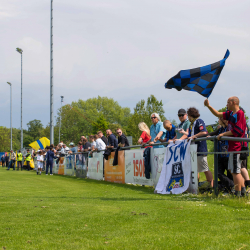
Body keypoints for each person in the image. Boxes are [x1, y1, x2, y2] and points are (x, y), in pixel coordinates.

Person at [204, 97, 247, 196]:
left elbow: (238, 131)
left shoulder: (240, 114)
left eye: (228, 103)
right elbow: (218, 114)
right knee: (234, 170)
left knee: (235, 171)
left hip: (237, 147)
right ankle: (243, 191)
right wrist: (208, 106)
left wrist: (223, 134)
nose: (226, 105)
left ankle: (237, 193)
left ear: (234, 102)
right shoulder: (231, 113)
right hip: (232, 147)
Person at [186, 107, 214, 187]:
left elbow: (204, 132)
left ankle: (211, 186)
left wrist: (194, 136)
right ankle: (195, 186)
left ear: (191, 115)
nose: (188, 117)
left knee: (205, 168)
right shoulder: (192, 124)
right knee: (195, 169)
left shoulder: (199, 121)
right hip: (194, 150)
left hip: (200, 148)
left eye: (188, 115)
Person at [207, 117, 234, 192]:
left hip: (228, 155)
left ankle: (230, 189)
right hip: (220, 155)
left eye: (219, 119)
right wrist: (207, 136)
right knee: (218, 173)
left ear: (224, 120)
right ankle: (232, 186)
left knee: (230, 174)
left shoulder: (229, 128)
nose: (218, 120)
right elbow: (212, 134)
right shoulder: (220, 129)